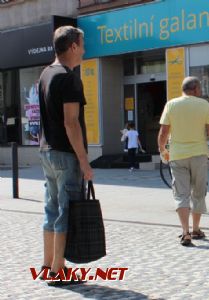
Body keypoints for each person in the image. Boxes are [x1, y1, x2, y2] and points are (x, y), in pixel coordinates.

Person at [38, 26, 93, 285]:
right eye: (82, 45)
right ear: (72, 46)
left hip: (46, 150)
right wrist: (84, 160)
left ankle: (48, 263)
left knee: (51, 209)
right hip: (65, 153)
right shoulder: (69, 78)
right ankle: (59, 270)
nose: (84, 50)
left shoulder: (46, 74)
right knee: (66, 211)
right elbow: (71, 122)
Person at [158, 76, 209, 246]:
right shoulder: (204, 105)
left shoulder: (171, 104)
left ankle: (185, 232)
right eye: (199, 88)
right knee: (198, 193)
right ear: (195, 89)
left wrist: (163, 150)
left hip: (177, 156)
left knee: (181, 194)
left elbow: (163, 132)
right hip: (199, 155)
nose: (200, 91)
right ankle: (196, 229)